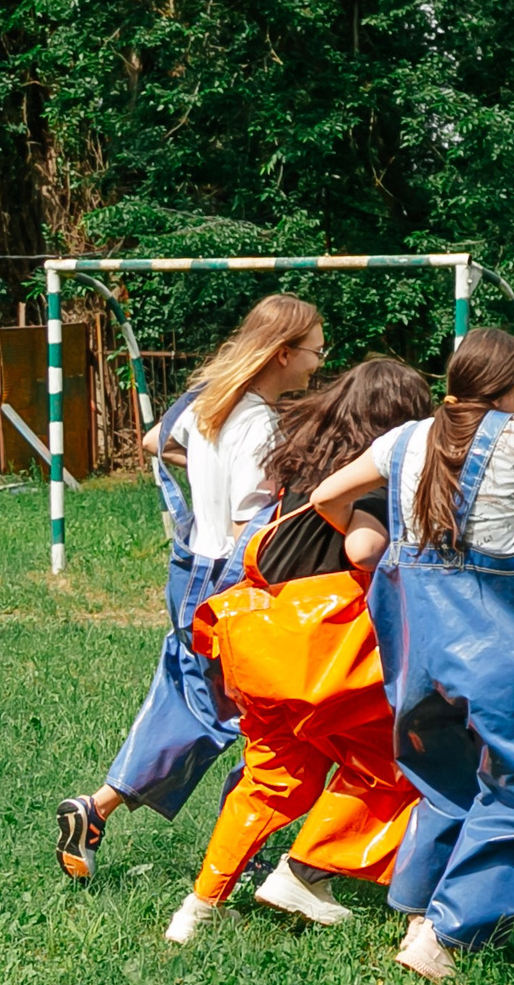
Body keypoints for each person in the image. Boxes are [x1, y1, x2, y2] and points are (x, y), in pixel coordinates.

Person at [309, 328, 514, 981]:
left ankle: (418, 906)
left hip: (418, 636)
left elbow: (325, 498)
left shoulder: (406, 438)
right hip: (499, 635)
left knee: (442, 774)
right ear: (506, 387)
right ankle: (446, 930)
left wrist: (388, 552)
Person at [164, 358, 434, 944]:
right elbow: (363, 550)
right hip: (323, 662)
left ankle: (199, 909)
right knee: (398, 769)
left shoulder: (303, 461)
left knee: (272, 780)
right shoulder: (365, 476)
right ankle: (304, 870)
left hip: (261, 655)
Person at [55, 294, 325, 880]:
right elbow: (245, 530)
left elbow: (155, 442)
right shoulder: (259, 426)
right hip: (231, 585)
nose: (318, 364)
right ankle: (246, 851)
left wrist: (204, 468)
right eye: (314, 351)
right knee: (264, 720)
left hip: (187, 574)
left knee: (186, 700)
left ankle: (96, 809)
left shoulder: (209, 404)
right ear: (283, 354)